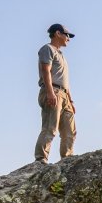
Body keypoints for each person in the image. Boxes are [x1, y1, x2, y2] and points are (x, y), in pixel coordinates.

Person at [35, 24, 76, 163]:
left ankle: (67, 160)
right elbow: (46, 71)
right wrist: (50, 93)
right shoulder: (48, 49)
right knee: (50, 128)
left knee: (70, 132)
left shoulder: (61, 55)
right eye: (67, 35)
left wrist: (70, 100)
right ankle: (41, 159)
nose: (68, 39)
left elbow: (65, 80)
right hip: (53, 91)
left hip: (64, 95)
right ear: (58, 33)